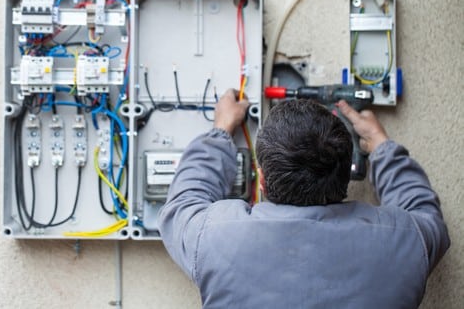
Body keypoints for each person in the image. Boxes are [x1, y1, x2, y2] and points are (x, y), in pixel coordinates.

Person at [158, 88, 450, 309]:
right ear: (347, 176)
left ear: (261, 179)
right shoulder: (408, 242)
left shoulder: (212, 237)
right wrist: (382, 147)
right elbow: (424, 212)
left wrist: (220, 131)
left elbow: (183, 202)